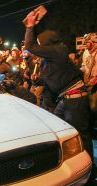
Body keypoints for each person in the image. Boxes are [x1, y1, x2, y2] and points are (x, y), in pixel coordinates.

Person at [24, 9, 93, 167]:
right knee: (58, 130)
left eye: (41, 44)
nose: (39, 48)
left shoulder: (58, 50)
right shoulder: (52, 56)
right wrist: (36, 78)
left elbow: (30, 45)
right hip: (65, 99)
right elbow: (50, 78)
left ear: (47, 43)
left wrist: (29, 26)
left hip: (75, 97)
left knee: (82, 134)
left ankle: (90, 169)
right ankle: (65, 162)